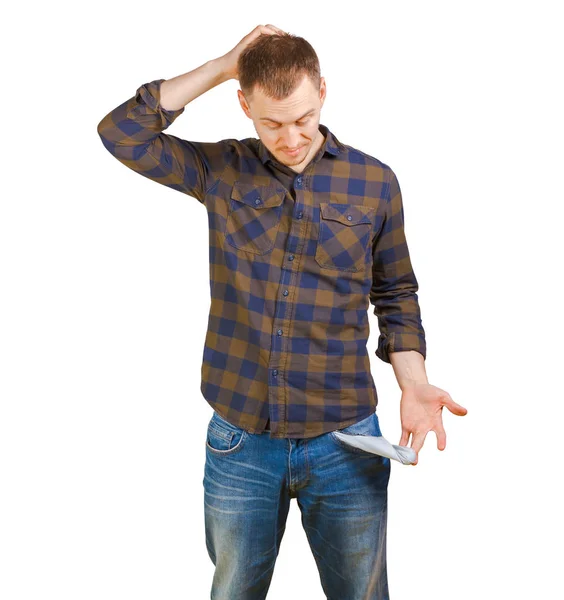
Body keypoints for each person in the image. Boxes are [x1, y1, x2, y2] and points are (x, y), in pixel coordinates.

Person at [97, 24, 467, 600]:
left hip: (348, 439)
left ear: (323, 92)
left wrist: (412, 383)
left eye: (304, 118)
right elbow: (122, 133)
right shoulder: (221, 170)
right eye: (272, 123)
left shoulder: (374, 183)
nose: (292, 138)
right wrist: (223, 64)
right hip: (242, 438)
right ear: (244, 104)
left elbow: (396, 294)